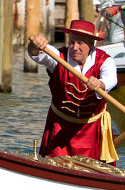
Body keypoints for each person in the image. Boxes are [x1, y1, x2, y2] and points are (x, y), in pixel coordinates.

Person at [26, 20, 118, 163]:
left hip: (91, 128)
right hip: (60, 126)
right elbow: (37, 54)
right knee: (55, 166)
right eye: (72, 42)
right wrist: (35, 45)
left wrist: (100, 83)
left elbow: (111, 79)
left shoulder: (105, 61)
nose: (75, 48)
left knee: (95, 171)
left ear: (91, 43)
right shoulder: (58, 57)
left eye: (80, 43)